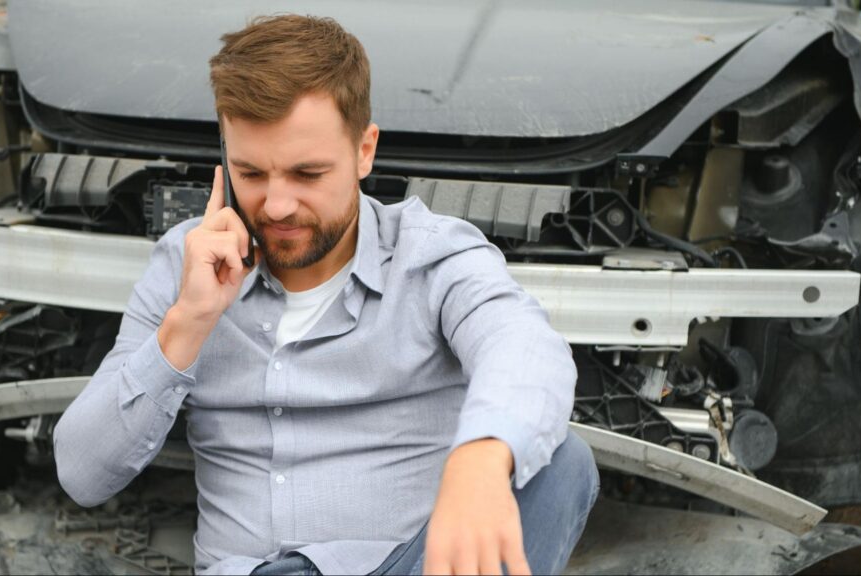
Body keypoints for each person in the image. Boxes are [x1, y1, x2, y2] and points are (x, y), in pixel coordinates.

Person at [54, 14, 598, 576]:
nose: (278, 205)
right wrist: (187, 324)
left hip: (406, 566)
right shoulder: (184, 264)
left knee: (562, 466)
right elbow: (81, 473)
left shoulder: (432, 258)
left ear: (365, 151)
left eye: (307, 174)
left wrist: (481, 458)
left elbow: (525, 347)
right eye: (251, 173)